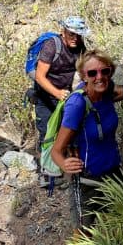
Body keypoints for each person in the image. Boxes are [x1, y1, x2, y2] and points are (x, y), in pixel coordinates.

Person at [49, 49, 123, 245]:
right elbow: (57, 150)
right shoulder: (76, 105)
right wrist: (64, 163)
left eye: (104, 71)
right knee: (82, 238)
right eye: (92, 73)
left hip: (113, 174)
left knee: (118, 224)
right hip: (88, 180)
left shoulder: (109, 94)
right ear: (83, 76)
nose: (99, 77)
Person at [32, 16, 90, 153]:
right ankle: (47, 171)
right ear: (63, 32)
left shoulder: (80, 48)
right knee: (47, 136)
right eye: (71, 34)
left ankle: (70, 169)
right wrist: (57, 93)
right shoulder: (51, 46)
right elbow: (39, 77)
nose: (75, 38)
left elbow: (85, 70)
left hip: (65, 98)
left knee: (71, 135)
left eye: (78, 34)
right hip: (45, 99)